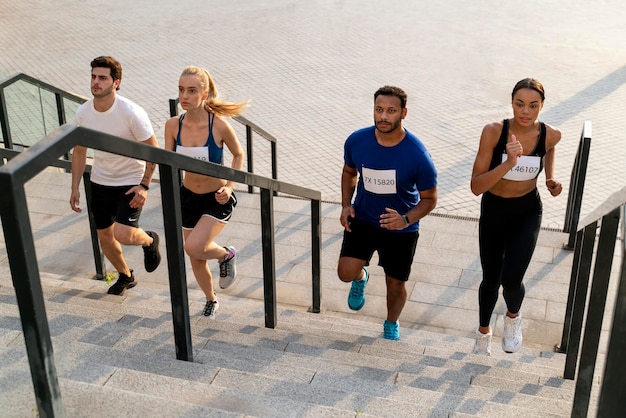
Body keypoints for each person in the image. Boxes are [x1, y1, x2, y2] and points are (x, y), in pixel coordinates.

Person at [470, 78, 563, 355]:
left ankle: (513, 318)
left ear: (542, 106)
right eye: (520, 104)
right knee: (491, 278)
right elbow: (476, 187)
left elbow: (550, 147)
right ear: (511, 103)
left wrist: (550, 178)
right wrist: (509, 163)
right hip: (494, 208)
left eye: (533, 106)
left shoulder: (551, 134)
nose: (526, 111)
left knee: (512, 279)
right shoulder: (493, 132)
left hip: (527, 211)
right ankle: (483, 333)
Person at [337, 85, 438, 341]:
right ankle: (361, 278)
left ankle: (391, 322)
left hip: (401, 229)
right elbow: (350, 172)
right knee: (345, 273)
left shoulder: (418, 155)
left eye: (391, 111)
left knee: (395, 286)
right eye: (379, 109)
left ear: (403, 113)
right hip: (364, 219)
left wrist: (404, 220)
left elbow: (430, 199)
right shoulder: (357, 141)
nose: (383, 116)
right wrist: (346, 204)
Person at [70, 56, 162, 296]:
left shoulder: (131, 113)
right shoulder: (83, 113)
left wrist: (144, 186)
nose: (96, 82)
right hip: (100, 181)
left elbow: (154, 151)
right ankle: (126, 276)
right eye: (93, 76)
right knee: (105, 237)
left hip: (131, 180)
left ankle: (150, 240)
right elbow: (79, 151)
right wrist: (75, 188)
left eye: (102, 78)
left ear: (116, 83)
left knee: (124, 233)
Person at [164, 66, 246, 319]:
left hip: (215, 199)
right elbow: (167, 162)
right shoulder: (172, 126)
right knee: (196, 256)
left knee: (193, 246)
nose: (184, 96)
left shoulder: (219, 126)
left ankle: (226, 254)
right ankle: (211, 299)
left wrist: (229, 187)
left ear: (205, 93)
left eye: (191, 90)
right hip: (188, 197)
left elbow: (238, 155)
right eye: (180, 90)